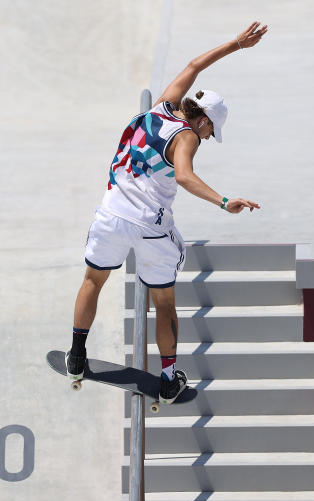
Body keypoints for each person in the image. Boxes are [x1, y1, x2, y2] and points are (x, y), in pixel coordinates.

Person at [67, 21, 268, 403]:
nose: (207, 138)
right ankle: (168, 378)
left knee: (93, 281)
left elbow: (193, 66)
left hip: (110, 215)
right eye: (211, 132)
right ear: (204, 120)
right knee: (164, 303)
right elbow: (185, 177)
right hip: (149, 228)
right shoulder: (187, 136)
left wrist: (236, 44)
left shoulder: (163, 106)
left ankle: (76, 356)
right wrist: (225, 201)